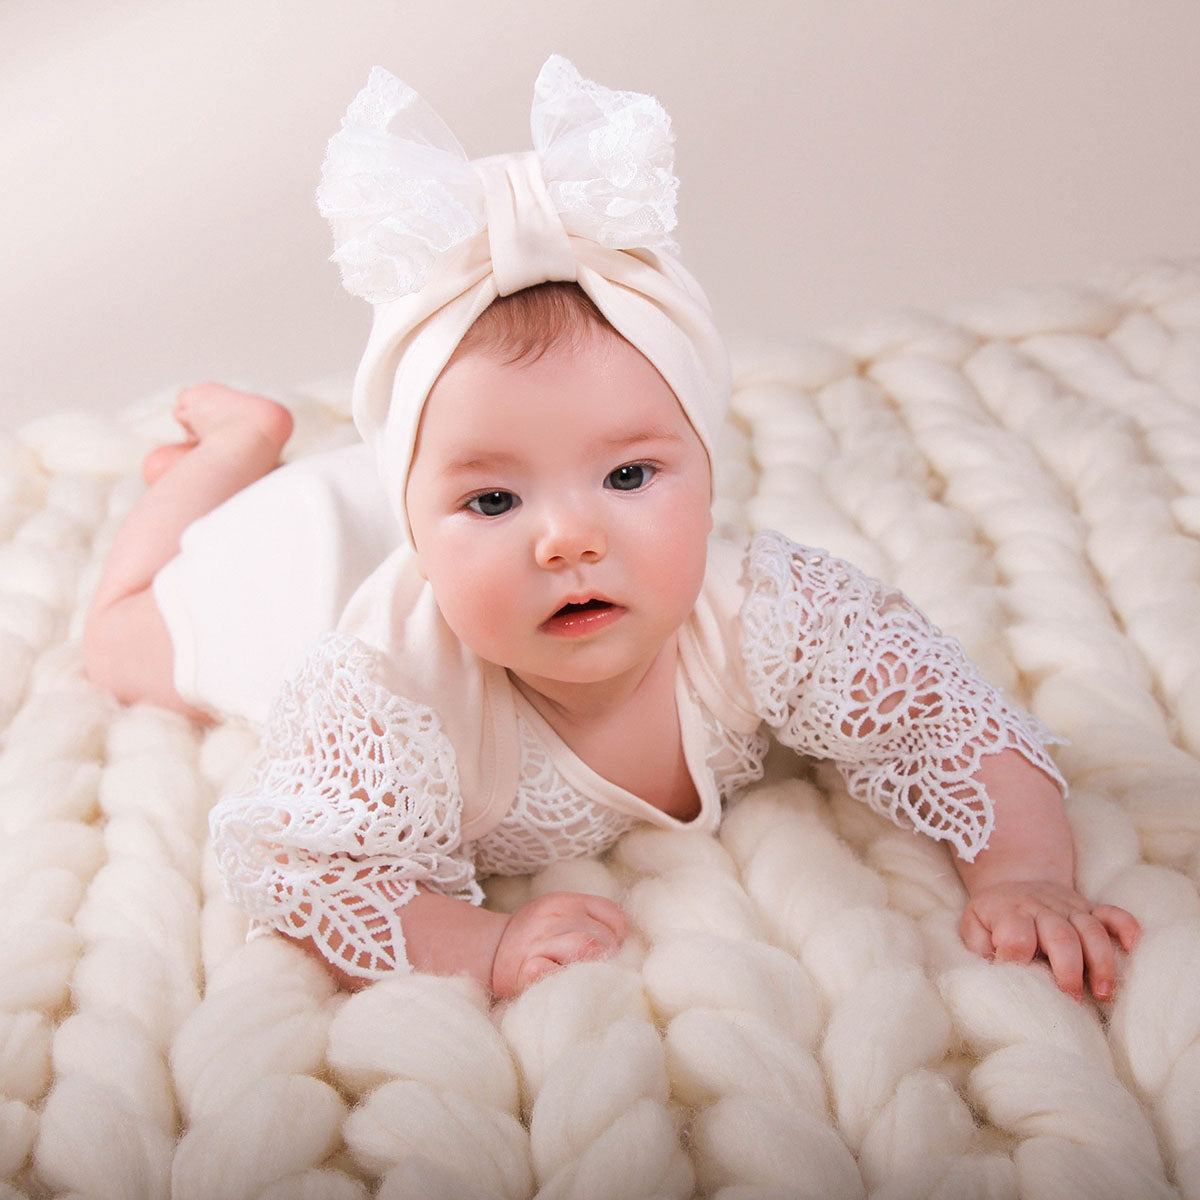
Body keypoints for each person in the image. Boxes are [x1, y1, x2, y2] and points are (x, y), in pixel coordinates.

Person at [83, 56, 1139, 1003]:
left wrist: (1027, 874)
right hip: (316, 561)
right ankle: (233, 448)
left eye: (629, 473)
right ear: (422, 517)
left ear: (707, 471)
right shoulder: (386, 685)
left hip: (409, 502)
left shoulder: (763, 611)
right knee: (118, 639)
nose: (568, 540)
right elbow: (312, 879)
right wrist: (480, 948)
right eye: (495, 501)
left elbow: (951, 722)